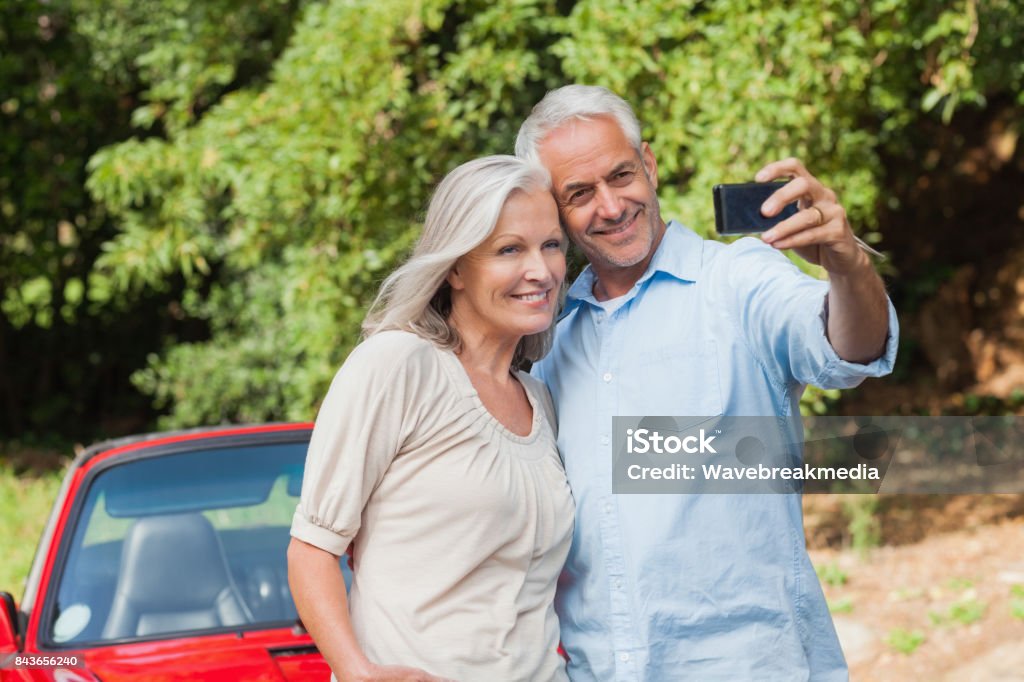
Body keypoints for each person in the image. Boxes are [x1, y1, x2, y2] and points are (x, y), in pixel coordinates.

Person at [515, 85, 898, 680]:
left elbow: (849, 350)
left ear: (650, 163)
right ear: (551, 210)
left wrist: (848, 263)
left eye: (621, 175)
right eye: (580, 193)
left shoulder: (738, 280)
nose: (612, 206)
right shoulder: (546, 343)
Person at [287, 155, 574, 682]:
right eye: (510, 249)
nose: (542, 270)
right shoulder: (398, 364)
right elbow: (312, 550)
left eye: (551, 245)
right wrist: (355, 672)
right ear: (456, 268)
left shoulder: (541, 397)